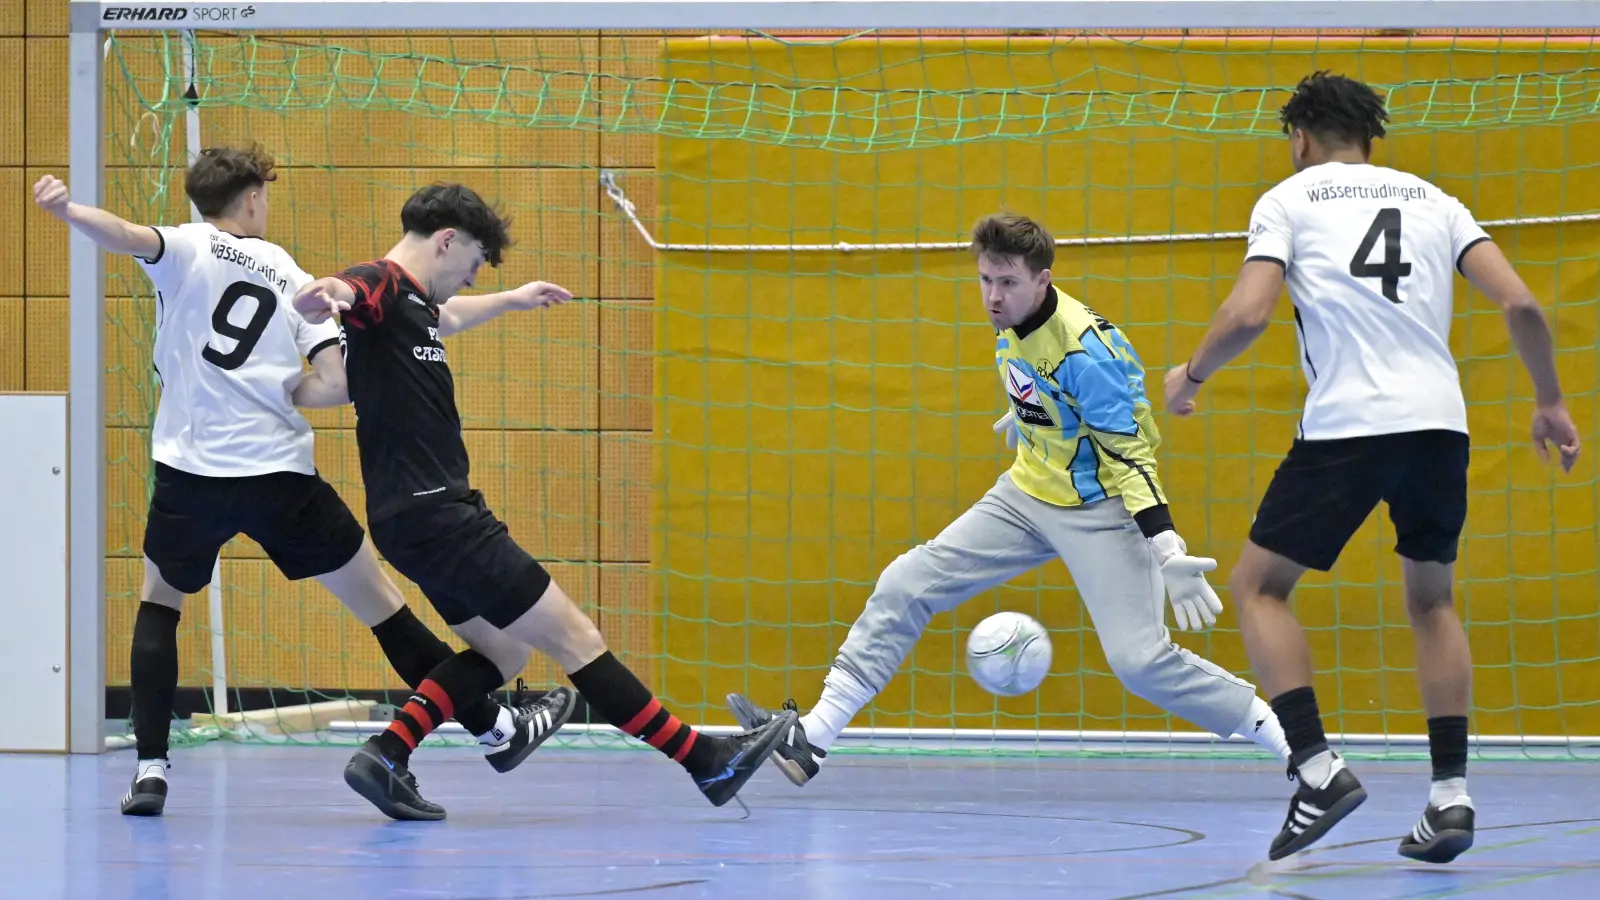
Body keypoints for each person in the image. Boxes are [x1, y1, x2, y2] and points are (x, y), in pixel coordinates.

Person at [33, 148, 571, 818]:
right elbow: (338, 383)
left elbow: (123, 234)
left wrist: (68, 210)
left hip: (190, 473)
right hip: (279, 477)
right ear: (253, 198)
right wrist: (286, 389)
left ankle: (149, 772)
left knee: (159, 605)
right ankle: (493, 727)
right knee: (385, 609)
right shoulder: (289, 272)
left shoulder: (186, 247)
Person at [1164, 71, 1581, 863]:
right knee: (1433, 599)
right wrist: (1550, 400)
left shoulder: (1288, 200)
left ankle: (1319, 770)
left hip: (1349, 425)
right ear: (1372, 138)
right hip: (1439, 428)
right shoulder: (1437, 202)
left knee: (1258, 587)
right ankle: (1450, 797)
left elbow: (1250, 312)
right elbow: (1522, 305)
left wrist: (1190, 376)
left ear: (1299, 139)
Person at [725, 212, 1292, 790]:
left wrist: (1165, 546)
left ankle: (1294, 742)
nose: (993, 297)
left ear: (1043, 280)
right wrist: (1033, 417)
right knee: (906, 583)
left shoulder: (1085, 352)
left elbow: (1130, 453)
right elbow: (1043, 381)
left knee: (1140, 663)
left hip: (1101, 510)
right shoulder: (1012, 319)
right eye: (985, 280)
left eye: (1008, 282)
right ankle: (814, 736)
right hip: (1026, 495)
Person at [292, 182, 793, 821]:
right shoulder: (379, 284)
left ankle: (386, 755)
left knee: (504, 653)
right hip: (443, 518)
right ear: (447, 240)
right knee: (578, 639)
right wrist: (323, 295)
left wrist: (514, 299)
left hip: (410, 522)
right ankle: (706, 761)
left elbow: (450, 316)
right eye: (475, 262)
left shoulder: (414, 306)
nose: (473, 278)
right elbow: (346, 291)